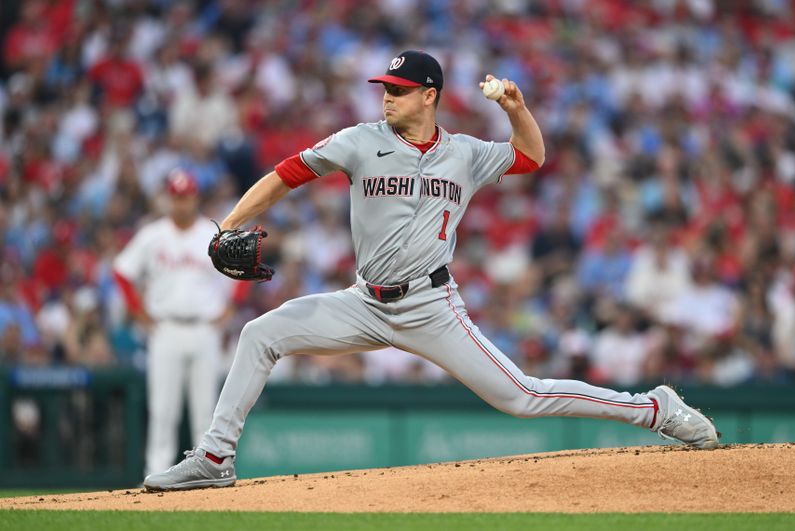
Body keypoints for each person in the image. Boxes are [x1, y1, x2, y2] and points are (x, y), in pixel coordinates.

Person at [143, 50, 719, 491]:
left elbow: (532, 157)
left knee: (521, 396)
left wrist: (517, 110)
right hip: (364, 302)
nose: (386, 98)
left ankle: (656, 408)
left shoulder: (465, 153)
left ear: (429, 96)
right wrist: (226, 223)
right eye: (384, 89)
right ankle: (215, 458)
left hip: (432, 305)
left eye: (398, 91)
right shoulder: (359, 141)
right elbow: (286, 174)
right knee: (259, 333)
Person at [113, 169, 236, 478]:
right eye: (177, 197)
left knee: (205, 412)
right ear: (169, 199)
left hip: (204, 328)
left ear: (195, 197)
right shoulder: (153, 235)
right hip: (165, 328)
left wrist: (232, 306)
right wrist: (137, 311)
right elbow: (121, 271)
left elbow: (239, 271)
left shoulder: (211, 235)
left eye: (187, 196)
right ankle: (155, 473)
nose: (182, 203)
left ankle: (205, 475)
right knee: (163, 410)